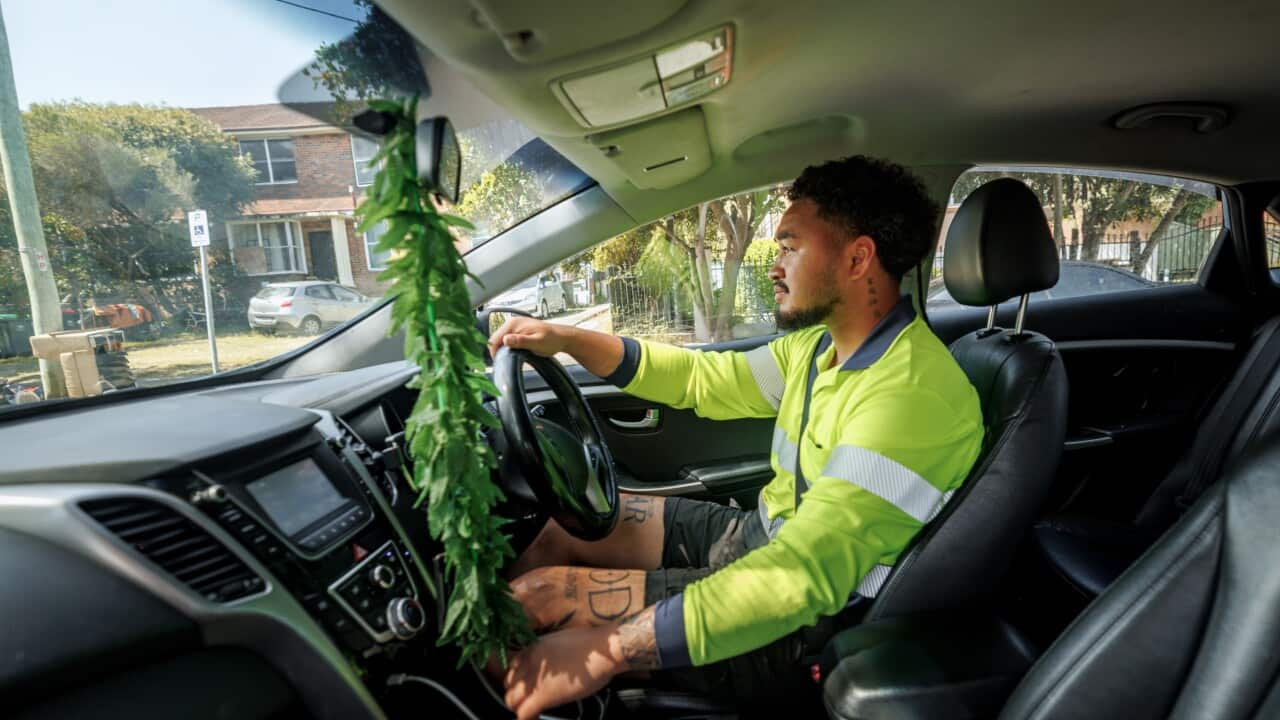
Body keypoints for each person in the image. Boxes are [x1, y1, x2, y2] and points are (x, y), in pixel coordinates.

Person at [487, 155, 985, 720]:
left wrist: (609, 648)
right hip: (759, 536)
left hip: (804, 624)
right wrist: (568, 338)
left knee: (539, 600)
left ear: (858, 258)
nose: (774, 265)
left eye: (789, 246)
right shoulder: (819, 348)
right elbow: (701, 379)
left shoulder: (908, 396)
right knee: (561, 533)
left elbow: (803, 576)